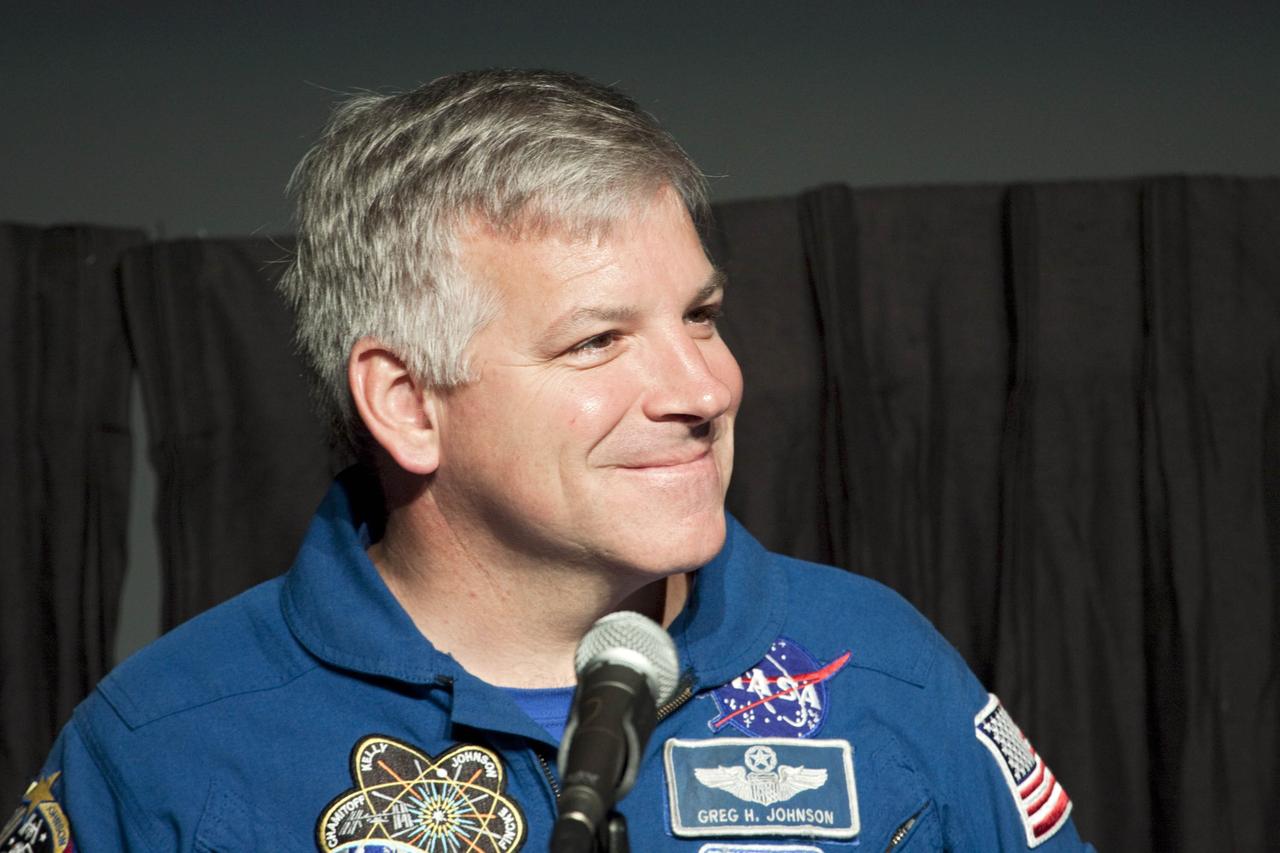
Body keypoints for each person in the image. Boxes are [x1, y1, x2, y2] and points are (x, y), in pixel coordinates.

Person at [8, 69, 1095, 851]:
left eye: (700, 316)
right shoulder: (160, 746)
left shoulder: (879, 667)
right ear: (405, 402)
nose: (706, 390)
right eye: (596, 340)